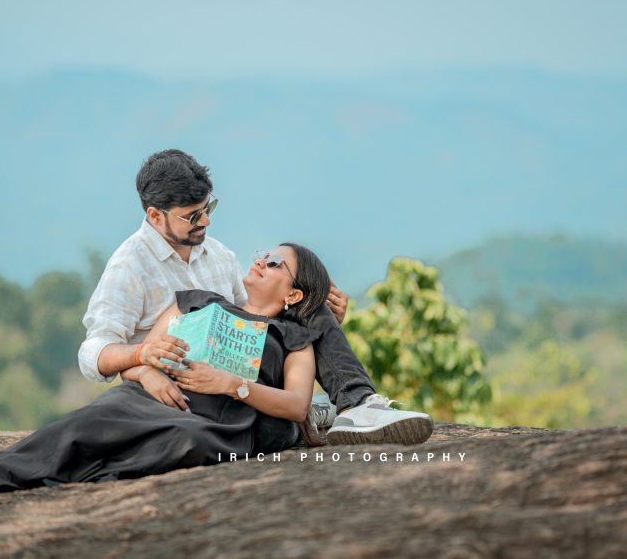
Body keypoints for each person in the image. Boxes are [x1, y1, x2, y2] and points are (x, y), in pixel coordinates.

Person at [0, 243, 329, 501]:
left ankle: (80, 479)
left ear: (293, 293)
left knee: (187, 441)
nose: (259, 260)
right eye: (262, 254)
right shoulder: (202, 301)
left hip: (216, 422)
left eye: (273, 262)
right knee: (89, 423)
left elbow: (296, 405)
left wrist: (232, 384)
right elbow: (143, 356)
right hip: (152, 395)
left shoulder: (294, 338)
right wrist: (145, 371)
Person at [79, 149, 432, 446]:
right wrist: (141, 362)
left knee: (308, 307)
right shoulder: (130, 266)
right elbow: (93, 352)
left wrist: (314, 316)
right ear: (155, 216)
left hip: (241, 377)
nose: (206, 222)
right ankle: (318, 409)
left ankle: (358, 405)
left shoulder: (217, 256)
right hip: (185, 391)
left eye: (209, 209)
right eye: (193, 216)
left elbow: (256, 318)